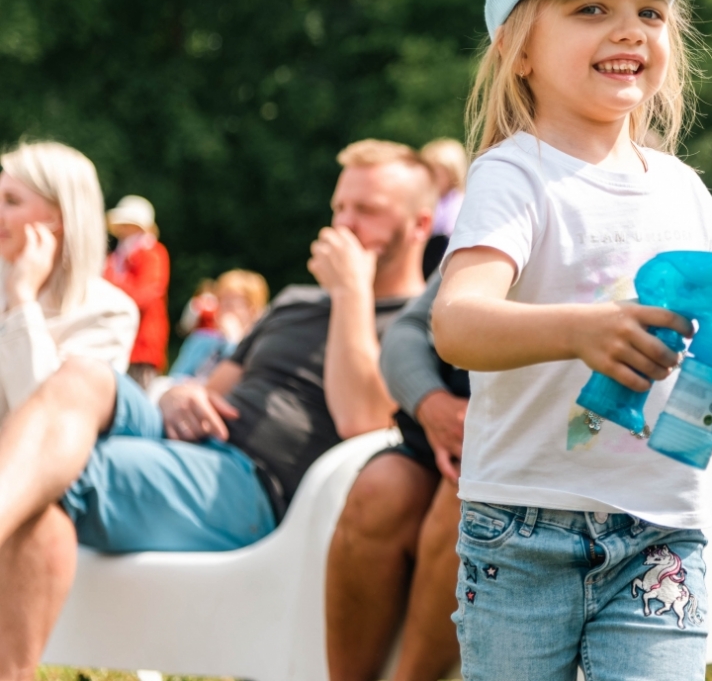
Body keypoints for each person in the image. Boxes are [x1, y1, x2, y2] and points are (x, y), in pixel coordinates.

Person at [429, 0, 712, 681]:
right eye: (589, 8)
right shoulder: (514, 177)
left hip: (659, 539)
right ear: (519, 47)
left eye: (651, 12)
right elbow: (458, 323)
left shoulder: (680, 190)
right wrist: (579, 329)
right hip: (518, 533)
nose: (628, 30)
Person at [0, 139, 435, 676]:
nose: (344, 224)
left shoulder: (417, 326)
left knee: (46, 484)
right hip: (180, 442)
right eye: (339, 208)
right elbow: (215, 386)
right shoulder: (296, 302)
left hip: (247, 484)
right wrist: (180, 393)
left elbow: (362, 421)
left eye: (366, 211)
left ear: (420, 224)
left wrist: (352, 295)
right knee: (82, 374)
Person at [326, 272, 468, 681]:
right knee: (379, 489)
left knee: (468, 498)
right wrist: (430, 402)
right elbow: (408, 330)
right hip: (444, 425)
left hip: (521, 446)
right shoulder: (487, 219)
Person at [0, 142, 139, 422]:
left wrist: (22, 299)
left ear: (58, 217)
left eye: (11, 201)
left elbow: (46, 422)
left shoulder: (109, 313)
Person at [103, 194, 171, 387]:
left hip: (142, 345)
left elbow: (145, 295)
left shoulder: (153, 253)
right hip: (116, 340)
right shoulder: (116, 259)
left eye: (128, 224)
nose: (123, 229)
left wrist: (113, 286)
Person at [168, 268, 270, 381]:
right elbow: (176, 377)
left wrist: (233, 341)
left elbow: (243, 381)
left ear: (253, 310)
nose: (223, 310)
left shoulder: (260, 347)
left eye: (230, 304)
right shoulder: (201, 339)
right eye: (221, 301)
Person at [420, 138, 468, 279]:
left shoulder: (459, 205)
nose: (432, 180)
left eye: (438, 174)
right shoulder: (425, 201)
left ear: (453, 174)